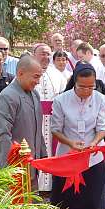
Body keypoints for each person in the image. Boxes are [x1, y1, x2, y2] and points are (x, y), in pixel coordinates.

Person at [50, 62, 105, 209]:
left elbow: (102, 127)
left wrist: (94, 142)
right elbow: (56, 129)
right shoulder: (61, 101)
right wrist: (71, 143)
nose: (87, 91)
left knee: (94, 199)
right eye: (82, 87)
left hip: (93, 156)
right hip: (69, 156)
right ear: (75, 82)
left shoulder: (100, 99)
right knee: (74, 200)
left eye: (91, 87)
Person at [0, 56, 47, 189]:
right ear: (20, 73)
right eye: (35, 77)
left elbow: (37, 129)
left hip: (32, 164)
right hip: (14, 167)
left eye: (39, 77)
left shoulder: (35, 94)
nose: (38, 82)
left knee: (31, 205)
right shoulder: (7, 96)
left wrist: (43, 156)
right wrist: (10, 168)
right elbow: (3, 135)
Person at [33, 43, 67, 192]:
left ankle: (53, 186)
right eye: (42, 54)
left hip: (54, 120)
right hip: (35, 119)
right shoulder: (29, 72)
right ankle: (36, 185)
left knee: (54, 151)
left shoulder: (58, 74)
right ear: (34, 55)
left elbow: (63, 98)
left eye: (48, 54)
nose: (45, 57)